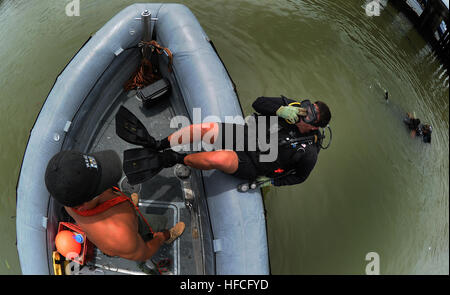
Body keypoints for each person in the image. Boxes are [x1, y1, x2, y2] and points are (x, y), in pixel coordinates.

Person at [133, 95, 332, 187]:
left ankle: (174, 158)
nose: (302, 115)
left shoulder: (310, 153)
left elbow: (300, 177)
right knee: (204, 128)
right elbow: (258, 102)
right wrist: (280, 110)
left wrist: (272, 182)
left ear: (314, 126)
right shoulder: (292, 108)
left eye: (308, 117)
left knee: (219, 159)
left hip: (255, 163)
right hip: (246, 134)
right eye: (305, 109)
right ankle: (159, 144)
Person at [44, 150, 185, 262]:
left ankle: (131, 204)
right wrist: (160, 237)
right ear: (83, 206)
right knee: (159, 223)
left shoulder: (69, 200)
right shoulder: (120, 235)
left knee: (124, 198)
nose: (107, 185)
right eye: (99, 188)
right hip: (130, 230)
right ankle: (169, 236)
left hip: (120, 210)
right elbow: (145, 252)